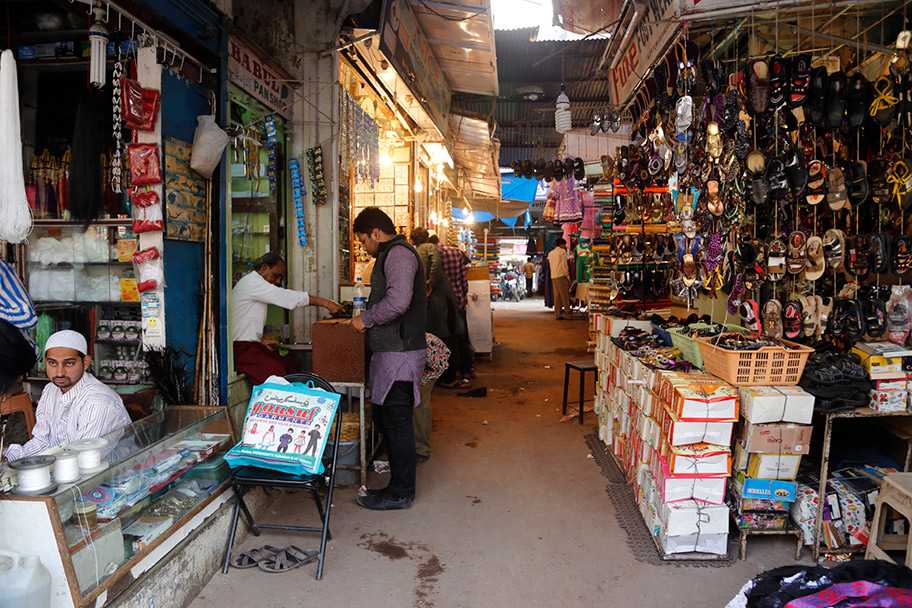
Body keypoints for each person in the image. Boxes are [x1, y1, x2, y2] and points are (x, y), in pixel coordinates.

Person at [350, 207, 426, 510]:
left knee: (396, 421)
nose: (364, 247)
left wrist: (365, 319)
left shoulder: (399, 255)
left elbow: (398, 301)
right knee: (387, 417)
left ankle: (401, 492)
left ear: (376, 233)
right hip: (393, 350)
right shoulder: (390, 255)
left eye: (363, 240)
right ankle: (397, 485)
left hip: (401, 352)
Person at [3, 330, 131, 462]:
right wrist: (10, 458)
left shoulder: (98, 402)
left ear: (86, 362)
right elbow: (42, 441)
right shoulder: (50, 390)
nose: (59, 373)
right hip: (68, 469)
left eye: (69, 363)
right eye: (52, 363)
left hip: (110, 476)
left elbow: (83, 459)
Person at [232, 252, 340, 385]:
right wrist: (327, 303)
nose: (277, 281)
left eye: (280, 278)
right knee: (278, 373)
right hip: (242, 349)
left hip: (252, 346)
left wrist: (260, 340)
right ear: (264, 268)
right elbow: (286, 297)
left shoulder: (253, 283)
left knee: (290, 364)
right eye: (276, 275)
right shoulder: (252, 283)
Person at [411, 228, 465, 388]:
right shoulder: (431, 248)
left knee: (440, 338)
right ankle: (448, 375)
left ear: (414, 239)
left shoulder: (424, 249)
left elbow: (431, 268)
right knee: (447, 336)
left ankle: (444, 376)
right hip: (443, 299)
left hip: (437, 302)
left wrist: (428, 286)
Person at [438, 238, 474, 381]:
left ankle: (448, 373)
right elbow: (463, 279)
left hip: (443, 303)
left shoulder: (433, 255)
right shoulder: (456, 253)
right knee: (462, 336)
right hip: (458, 299)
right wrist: (464, 295)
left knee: (446, 338)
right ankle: (466, 370)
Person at [415, 332, 450, 462]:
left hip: (429, 360)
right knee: (417, 404)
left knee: (419, 405)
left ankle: (421, 449)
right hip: (424, 354)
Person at [548, 238, 571, 319]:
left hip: (553, 276)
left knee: (557, 296)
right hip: (561, 275)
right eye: (564, 244)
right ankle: (567, 314)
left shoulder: (550, 253)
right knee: (565, 296)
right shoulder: (562, 252)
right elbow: (564, 265)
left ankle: (557, 314)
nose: (565, 246)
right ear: (561, 244)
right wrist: (567, 275)